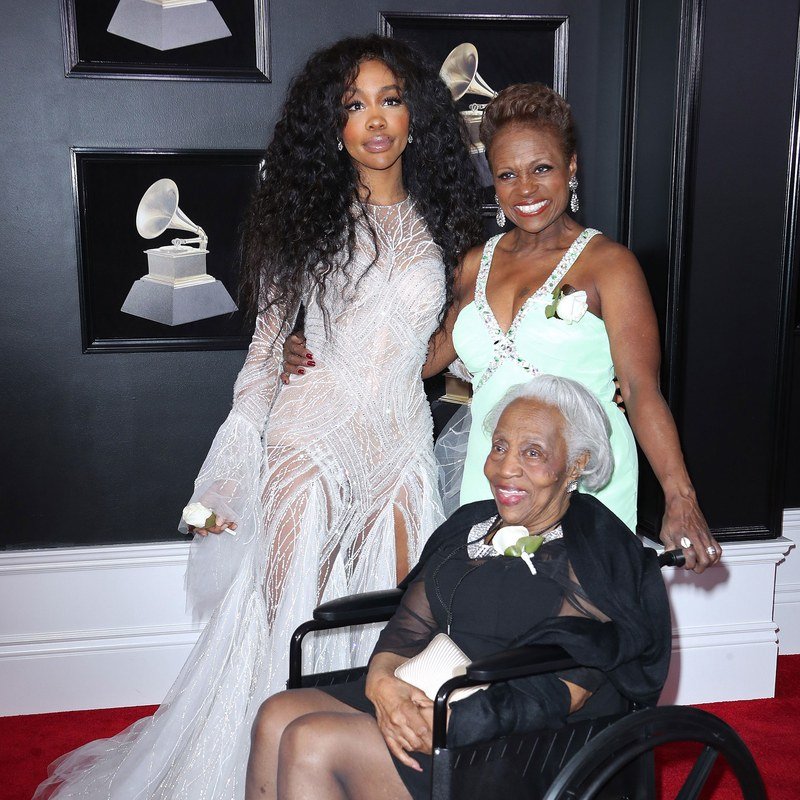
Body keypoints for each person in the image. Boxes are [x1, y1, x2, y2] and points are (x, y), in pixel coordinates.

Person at [34, 35, 482, 800]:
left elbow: (435, 355)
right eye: (353, 105)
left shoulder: (447, 225)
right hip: (309, 438)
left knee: (392, 635)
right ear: (330, 126)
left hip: (401, 446)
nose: (375, 120)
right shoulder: (304, 220)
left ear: (416, 115)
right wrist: (228, 479)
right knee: (285, 626)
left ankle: (347, 776)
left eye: (391, 99)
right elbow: (267, 354)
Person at [283, 82, 721, 573]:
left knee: (571, 636)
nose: (526, 190)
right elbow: (415, 359)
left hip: (580, 483)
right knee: (490, 631)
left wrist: (680, 496)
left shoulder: (610, 266)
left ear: (571, 166)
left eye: (542, 169)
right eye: (508, 175)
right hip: (492, 480)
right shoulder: (473, 265)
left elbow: (641, 391)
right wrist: (315, 343)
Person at [245, 374, 672, 800]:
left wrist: (449, 721)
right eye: (500, 447)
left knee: (311, 740)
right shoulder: (469, 525)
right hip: (439, 690)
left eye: (533, 453)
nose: (506, 467)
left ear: (576, 464)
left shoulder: (596, 547)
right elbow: (410, 628)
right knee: (276, 715)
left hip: (520, 739)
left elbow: (567, 687)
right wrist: (382, 684)